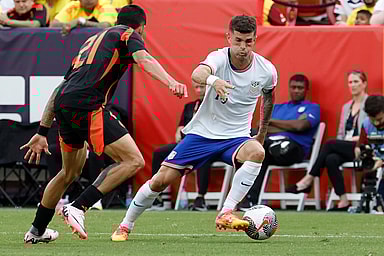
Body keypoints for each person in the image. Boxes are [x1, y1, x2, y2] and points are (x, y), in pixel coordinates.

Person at [22, 4, 186, 244]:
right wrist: (171, 81)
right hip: (88, 105)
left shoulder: (91, 42)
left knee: (69, 172)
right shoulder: (128, 34)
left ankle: (36, 231)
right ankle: (78, 206)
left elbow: (60, 89)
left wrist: (42, 131)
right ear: (141, 28)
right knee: (133, 160)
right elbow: (144, 59)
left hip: (65, 105)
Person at [110, 14, 277, 241]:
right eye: (238, 40)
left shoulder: (266, 70)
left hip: (236, 137)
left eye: (248, 42)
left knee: (258, 152)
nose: (243, 47)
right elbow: (197, 74)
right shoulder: (218, 57)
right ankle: (125, 225)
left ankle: (226, 211)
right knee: (159, 181)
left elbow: (268, 98)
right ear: (229, 38)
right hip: (202, 134)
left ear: (255, 40)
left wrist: (261, 133)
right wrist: (213, 80)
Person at [287, 70, 368, 211]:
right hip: (346, 145)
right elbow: (341, 133)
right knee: (331, 158)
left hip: (362, 146)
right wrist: (342, 141)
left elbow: (369, 131)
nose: (353, 85)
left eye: (356, 82)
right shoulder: (346, 107)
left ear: (364, 84)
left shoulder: (369, 104)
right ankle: (343, 201)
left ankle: (308, 179)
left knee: (330, 143)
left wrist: (350, 140)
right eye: (350, 82)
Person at [243, 74, 320, 207]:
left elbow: (301, 126)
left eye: (300, 88)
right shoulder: (278, 107)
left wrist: (271, 122)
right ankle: (249, 199)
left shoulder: (312, 107)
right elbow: (260, 127)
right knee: (257, 149)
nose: (296, 90)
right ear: (289, 88)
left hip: (294, 150)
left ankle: (250, 198)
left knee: (262, 147)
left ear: (306, 90)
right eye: (293, 87)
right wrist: (289, 126)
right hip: (270, 147)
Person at [149, 81, 211, 211]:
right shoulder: (190, 106)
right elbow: (181, 125)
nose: (199, 90)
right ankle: (157, 197)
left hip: (206, 144)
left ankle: (200, 198)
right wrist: (178, 131)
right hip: (187, 143)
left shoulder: (212, 105)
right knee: (159, 152)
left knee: (204, 157)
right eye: (197, 87)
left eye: (202, 87)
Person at [50, 0, 117, 36]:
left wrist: (81, 22)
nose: (88, 0)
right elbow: (53, 25)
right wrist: (70, 24)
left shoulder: (106, 6)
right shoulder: (73, 6)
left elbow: (105, 26)